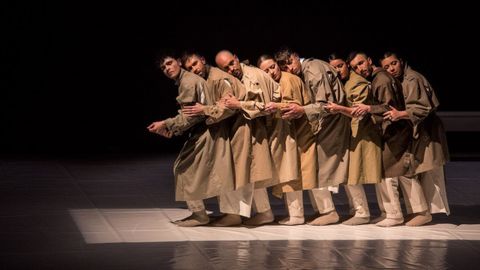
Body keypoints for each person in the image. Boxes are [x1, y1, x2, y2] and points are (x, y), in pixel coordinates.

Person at [147, 53, 234, 227]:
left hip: (208, 132)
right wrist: (172, 128)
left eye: (170, 63)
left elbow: (190, 116)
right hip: (207, 131)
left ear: (178, 62)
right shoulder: (187, 80)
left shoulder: (188, 81)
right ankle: (216, 213)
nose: (168, 69)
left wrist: (166, 124)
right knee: (211, 172)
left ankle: (200, 214)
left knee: (183, 168)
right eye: (164, 68)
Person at [275, 48, 350, 225]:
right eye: (284, 66)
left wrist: (301, 110)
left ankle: (330, 212)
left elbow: (325, 105)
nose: (289, 68)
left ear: (295, 57)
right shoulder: (307, 69)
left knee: (321, 167)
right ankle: (325, 211)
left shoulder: (312, 68)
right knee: (317, 167)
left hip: (332, 122)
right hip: (327, 121)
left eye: (289, 62)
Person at [215, 50, 285, 226]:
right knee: (253, 172)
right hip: (247, 127)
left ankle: (240, 214)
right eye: (226, 68)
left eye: (232, 63)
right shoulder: (237, 76)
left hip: (255, 127)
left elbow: (266, 106)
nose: (231, 68)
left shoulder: (253, 75)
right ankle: (261, 212)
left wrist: (239, 104)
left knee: (249, 171)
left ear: (237, 58)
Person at [380, 52, 450, 226]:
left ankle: (423, 212)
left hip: (427, 131)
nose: (391, 68)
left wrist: (399, 114)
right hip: (417, 130)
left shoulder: (412, 79)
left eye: (394, 63)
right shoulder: (402, 80)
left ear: (401, 61)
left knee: (422, 170)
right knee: (415, 170)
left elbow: (422, 107)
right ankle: (420, 211)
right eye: (387, 67)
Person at [348, 51, 412, 227]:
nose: (360, 69)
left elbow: (389, 107)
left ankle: (394, 214)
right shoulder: (377, 78)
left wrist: (368, 108)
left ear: (369, 60)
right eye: (355, 67)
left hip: (395, 132)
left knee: (389, 174)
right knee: (386, 173)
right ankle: (388, 212)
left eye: (361, 63)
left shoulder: (381, 79)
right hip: (390, 132)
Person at [257, 54, 316, 225]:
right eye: (266, 70)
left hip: (297, 133)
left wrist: (275, 106)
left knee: (291, 173)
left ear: (277, 65)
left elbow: (293, 107)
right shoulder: (277, 81)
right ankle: (296, 214)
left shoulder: (287, 80)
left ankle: (297, 215)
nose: (271, 72)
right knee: (290, 172)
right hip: (290, 132)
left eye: (273, 67)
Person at [325, 54, 383, 225]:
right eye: (333, 67)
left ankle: (364, 212)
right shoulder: (343, 82)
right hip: (349, 133)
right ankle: (358, 210)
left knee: (356, 174)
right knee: (348, 174)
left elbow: (358, 111)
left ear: (347, 66)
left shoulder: (357, 82)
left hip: (363, 133)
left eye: (340, 65)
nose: (337, 70)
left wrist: (338, 108)